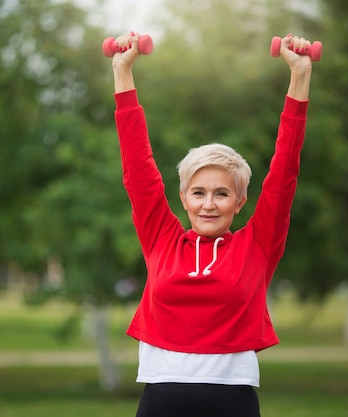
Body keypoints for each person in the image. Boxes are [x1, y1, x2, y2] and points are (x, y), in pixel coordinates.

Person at [110, 31, 314, 417]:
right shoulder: (161, 239)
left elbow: (285, 168)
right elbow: (137, 165)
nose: (208, 204)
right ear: (183, 197)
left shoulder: (257, 245)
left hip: (232, 400)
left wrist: (300, 74)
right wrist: (122, 70)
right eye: (198, 192)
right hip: (162, 399)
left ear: (239, 202)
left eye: (221, 194)